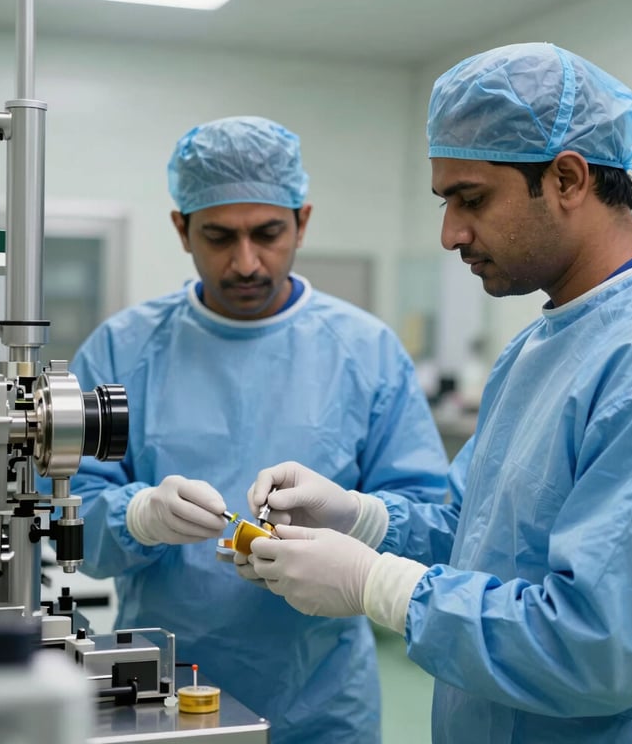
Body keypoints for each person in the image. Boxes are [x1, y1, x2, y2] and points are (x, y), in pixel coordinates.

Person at [240, 43, 632, 743]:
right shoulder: (549, 341)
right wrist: (360, 519)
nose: (451, 233)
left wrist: (379, 586)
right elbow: (481, 532)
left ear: (567, 178)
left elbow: (599, 646)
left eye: (470, 198)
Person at [65, 115, 451, 744]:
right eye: (219, 236)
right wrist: (137, 517)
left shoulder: (365, 351)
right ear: (181, 228)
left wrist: (353, 518)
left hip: (323, 701)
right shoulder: (123, 349)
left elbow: (427, 525)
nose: (246, 263)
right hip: (159, 687)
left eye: (268, 234)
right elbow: (72, 516)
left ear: (302, 221)